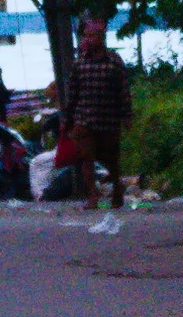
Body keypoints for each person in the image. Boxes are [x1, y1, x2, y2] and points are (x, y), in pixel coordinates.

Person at [53, 16, 133, 208]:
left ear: (101, 38)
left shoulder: (114, 61)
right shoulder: (79, 63)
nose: (87, 39)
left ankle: (116, 192)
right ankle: (92, 196)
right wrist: (67, 118)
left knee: (111, 159)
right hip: (84, 120)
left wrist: (127, 115)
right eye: (86, 36)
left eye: (92, 36)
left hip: (109, 120)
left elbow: (123, 90)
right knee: (85, 157)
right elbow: (73, 93)